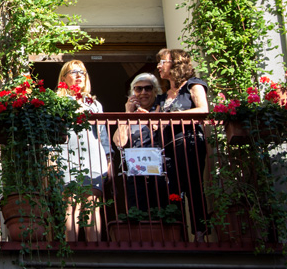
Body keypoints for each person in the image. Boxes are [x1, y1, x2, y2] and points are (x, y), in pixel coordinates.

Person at [156, 48, 209, 241]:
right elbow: (156, 122)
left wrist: (174, 116)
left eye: (162, 62)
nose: (159, 66)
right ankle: (179, 235)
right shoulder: (163, 97)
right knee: (173, 189)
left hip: (188, 141)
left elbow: (203, 109)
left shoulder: (193, 85)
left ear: (176, 63)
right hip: (168, 147)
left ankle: (200, 234)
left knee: (193, 185)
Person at [56, 60, 109, 242]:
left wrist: (108, 159)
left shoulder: (94, 104)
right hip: (67, 156)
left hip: (93, 157)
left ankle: (95, 251)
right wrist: (51, 158)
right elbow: (52, 133)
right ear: (64, 78)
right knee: (70, 204)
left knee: (92, 204)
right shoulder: (58, 102)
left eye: (82, 72)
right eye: (74, 72)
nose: (79, 75)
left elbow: (103, 135)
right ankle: (71, 251)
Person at [113, 73, 168, 214]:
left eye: (148, 88)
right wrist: (128, 113)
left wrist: (149, 120)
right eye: (138, 89)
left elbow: (165, 136)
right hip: (135, 171)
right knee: (137, 208)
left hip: (159, 170)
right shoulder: (129, 116)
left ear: (155, 91)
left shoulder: (161, 110)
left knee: (160, 208)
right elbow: (120, 142)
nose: (143, 92)